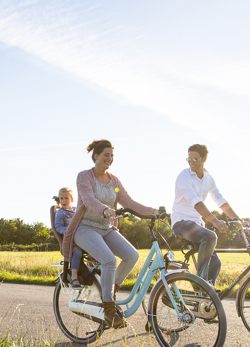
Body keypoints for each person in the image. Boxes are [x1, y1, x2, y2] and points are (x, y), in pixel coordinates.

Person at [62, 139, 159, 330]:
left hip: (106, 229)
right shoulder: (84, 177)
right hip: (85, 228)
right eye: (106, 154)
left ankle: (109, 292)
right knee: (109, 260)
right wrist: (105, 209)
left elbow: (128, 202)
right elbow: (88, 199)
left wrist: (153, 211)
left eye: (112, 155)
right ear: (96, 156)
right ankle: (108, 311)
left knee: (132, 255)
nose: (110, 158)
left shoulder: (114, 181)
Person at [171, 143, 239, 285]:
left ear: (204, 159)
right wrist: (215, 221)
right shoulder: (184, 176)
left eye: (195, 159)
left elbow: (219, 199)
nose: (191, 163)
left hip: (196, 225)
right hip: (181, 223)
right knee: (210, 236)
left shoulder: (208, 178)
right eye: (189, 159)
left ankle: (205, 300)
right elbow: (196, 202)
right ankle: (202, 285)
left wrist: (237, 219)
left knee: (215, 262)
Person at [54, 187, 83, 288]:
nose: (63, 201)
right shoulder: (60, 213)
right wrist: (67, 231)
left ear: (72, 199)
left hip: (81, 236)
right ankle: (74, 276)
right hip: (70, 240)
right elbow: (58, 227)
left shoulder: (77, 211)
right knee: (78, 251)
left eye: (66, 198)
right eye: (61, 198)